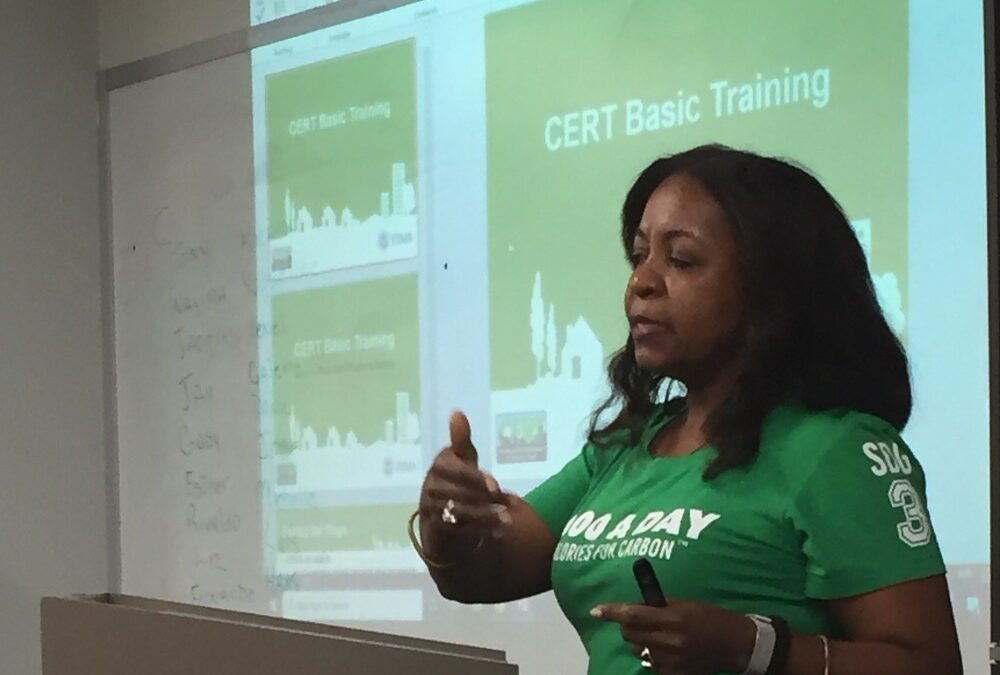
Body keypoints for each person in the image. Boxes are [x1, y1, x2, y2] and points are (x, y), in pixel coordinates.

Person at [410, 145, 963, 674]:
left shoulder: (835, 449)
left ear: (770, 287)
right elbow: (484, 573)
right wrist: (449, 517)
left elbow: (929, 665)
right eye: (638, 255)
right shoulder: (627, 449)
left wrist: (754, 648)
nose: (641, 283)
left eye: (681, 259)